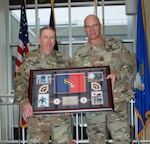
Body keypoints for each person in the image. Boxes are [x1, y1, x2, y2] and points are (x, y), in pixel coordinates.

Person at [73, 14, 136, 144]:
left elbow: (131, 64)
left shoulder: (116, 45)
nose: (92, 29)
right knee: (96, 141)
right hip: (93, 106)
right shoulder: (80, 53)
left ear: (100, 26)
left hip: (116, 101)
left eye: (94, 25)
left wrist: (117, 74)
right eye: (88, 26)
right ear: (84, 29)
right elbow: (76, 80)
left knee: (122, 140)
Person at [14, 26, 74, 144]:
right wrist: (25, 103)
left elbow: (74, 84)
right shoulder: (29, 59)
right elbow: (20, 84)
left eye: (52, 37)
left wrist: (70, 103)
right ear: (39, 40)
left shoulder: (64, 60)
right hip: (37, 117)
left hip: (61, 116)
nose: (49, 41)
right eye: (45, 37)